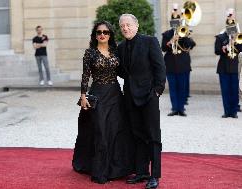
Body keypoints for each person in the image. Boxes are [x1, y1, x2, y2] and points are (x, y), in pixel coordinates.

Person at [72, 21, 134, 184]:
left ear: (110, 35)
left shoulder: (116, 51)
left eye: (106, 32)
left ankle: (118, 168)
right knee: (100, 130)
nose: (102, 35)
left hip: (115, 94)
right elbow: (86, 75)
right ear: (95, 35)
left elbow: (124, 72)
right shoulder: (90, 53)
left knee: (117, 130)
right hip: (98, 94)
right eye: (99, 32)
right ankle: (100, 170)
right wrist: (83, 95)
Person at [117, 14, 166, 189]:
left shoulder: (150, 41)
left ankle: (155, 175)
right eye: (122, 26)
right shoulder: (121, 47)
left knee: (153, 136)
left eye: (128, 25)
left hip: (149, 96)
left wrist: (157, 91)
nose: (125, 28)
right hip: (130, 97)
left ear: (136, 26)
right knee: (137, 135)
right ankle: (142, 171)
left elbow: (159, 67)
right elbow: (123, 73)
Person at [162, 5, 196, 117]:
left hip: (183, 64)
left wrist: (183, 36)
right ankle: (174, 108)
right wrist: (172, 40)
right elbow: (163, 48)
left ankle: (181, 109)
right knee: (173, 88)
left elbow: (190, 45)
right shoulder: (167, 34)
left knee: (182, 87)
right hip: (171, 64)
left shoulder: (185, 32)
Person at [215, 8, 242, 118]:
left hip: (235, 67)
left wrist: (236, 41)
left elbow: (240, 49)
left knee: (235, 91)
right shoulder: (221, 37)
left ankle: (234, 111)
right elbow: (216, 51)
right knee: (225, 90)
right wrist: (224, 47)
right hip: (224, 67)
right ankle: (227, 111)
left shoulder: (239, 37)